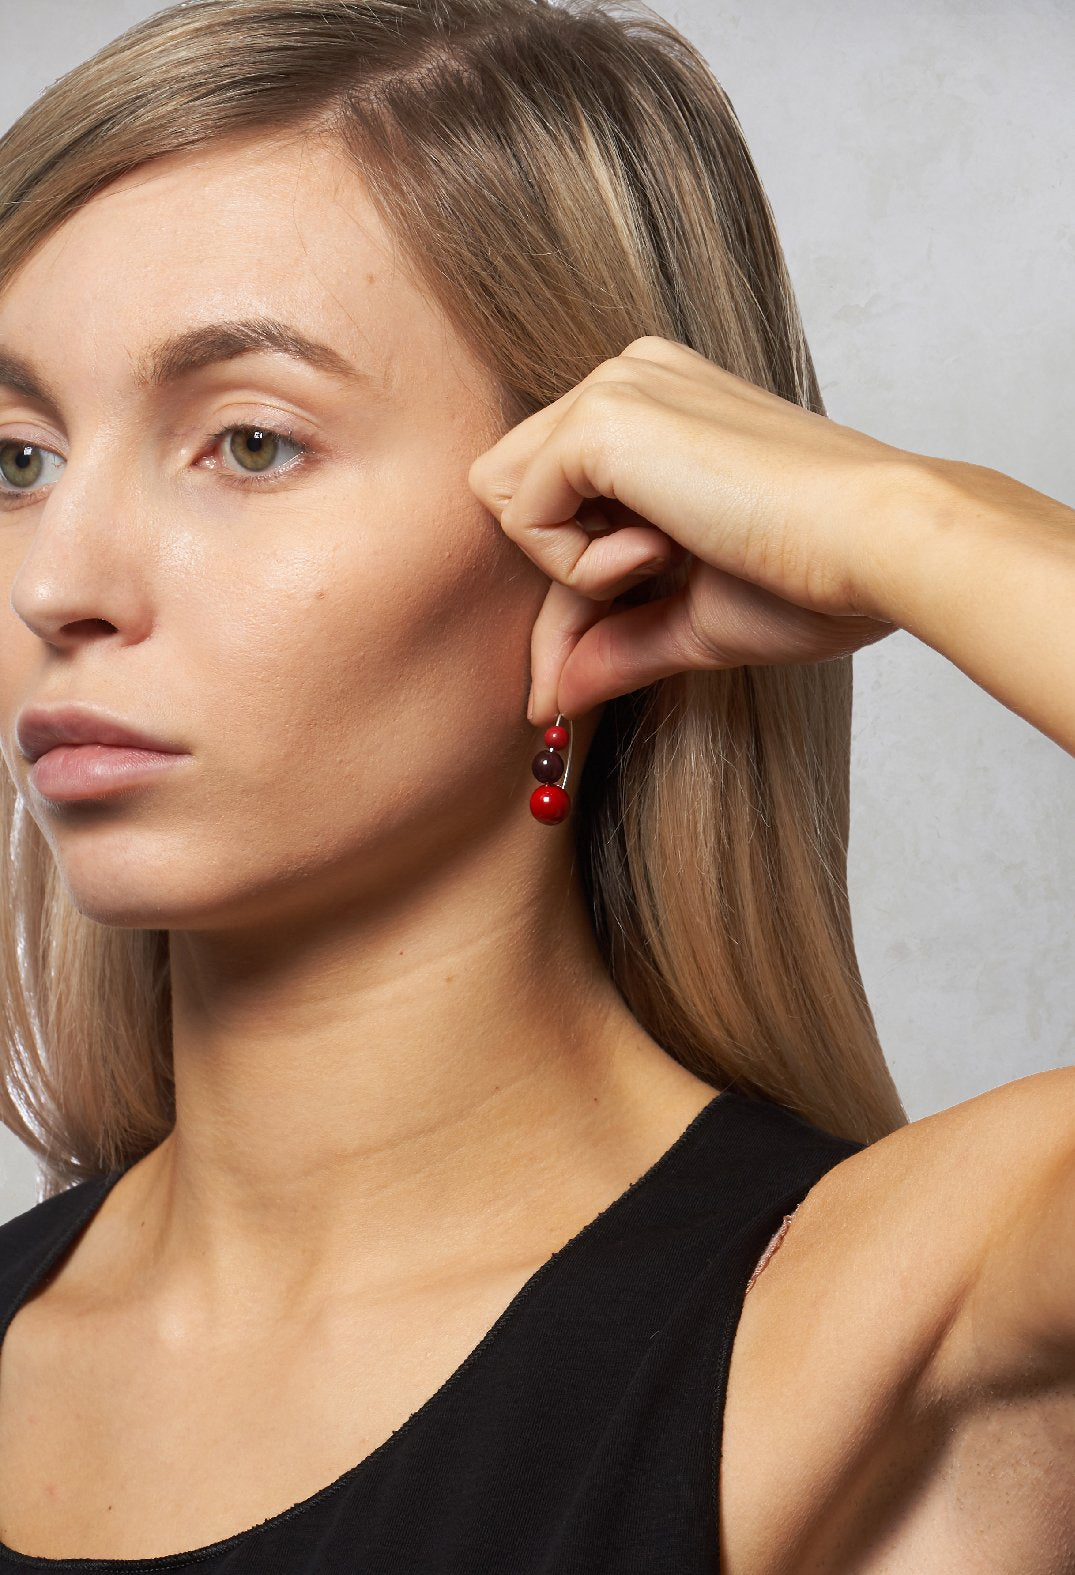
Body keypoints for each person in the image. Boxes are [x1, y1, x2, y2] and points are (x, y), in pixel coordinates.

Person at [0, 0, 1070, 1568]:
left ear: (606, 507)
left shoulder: (901, 1310)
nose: (59, 584)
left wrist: (912, 523)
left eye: (248, 443)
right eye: (16, 456)